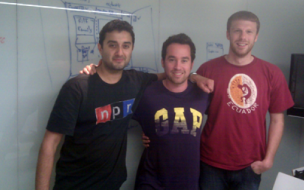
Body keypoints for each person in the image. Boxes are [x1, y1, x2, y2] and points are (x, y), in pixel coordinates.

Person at [35, 20, 213, 190]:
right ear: (100, 47)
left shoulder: (135, 81)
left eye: (126, 46)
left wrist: (193, 76)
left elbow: (172, 74)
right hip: (76, 185)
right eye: (112, 45)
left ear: (131, 49)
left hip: (113, 184)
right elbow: (49, 145)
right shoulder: (77, 88)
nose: (119, 52)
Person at [196, 11, 294, 190]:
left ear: (256, 37)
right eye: (237, 31)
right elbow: (188, 108)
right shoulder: (207, 69)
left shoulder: (272, 73)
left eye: (249, 32)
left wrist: (269, 159)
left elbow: (278, 120)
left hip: (250, 166)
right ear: (228, 34)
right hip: (209, 163)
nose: (242, 37)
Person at [133, 33, 209, 190]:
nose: (178, 66)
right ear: (163, 61)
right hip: (151, 181)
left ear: (192, 63)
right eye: (172, 59)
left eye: (184, 60)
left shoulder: (203, 94)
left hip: (188, 182)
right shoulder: (146, 93)